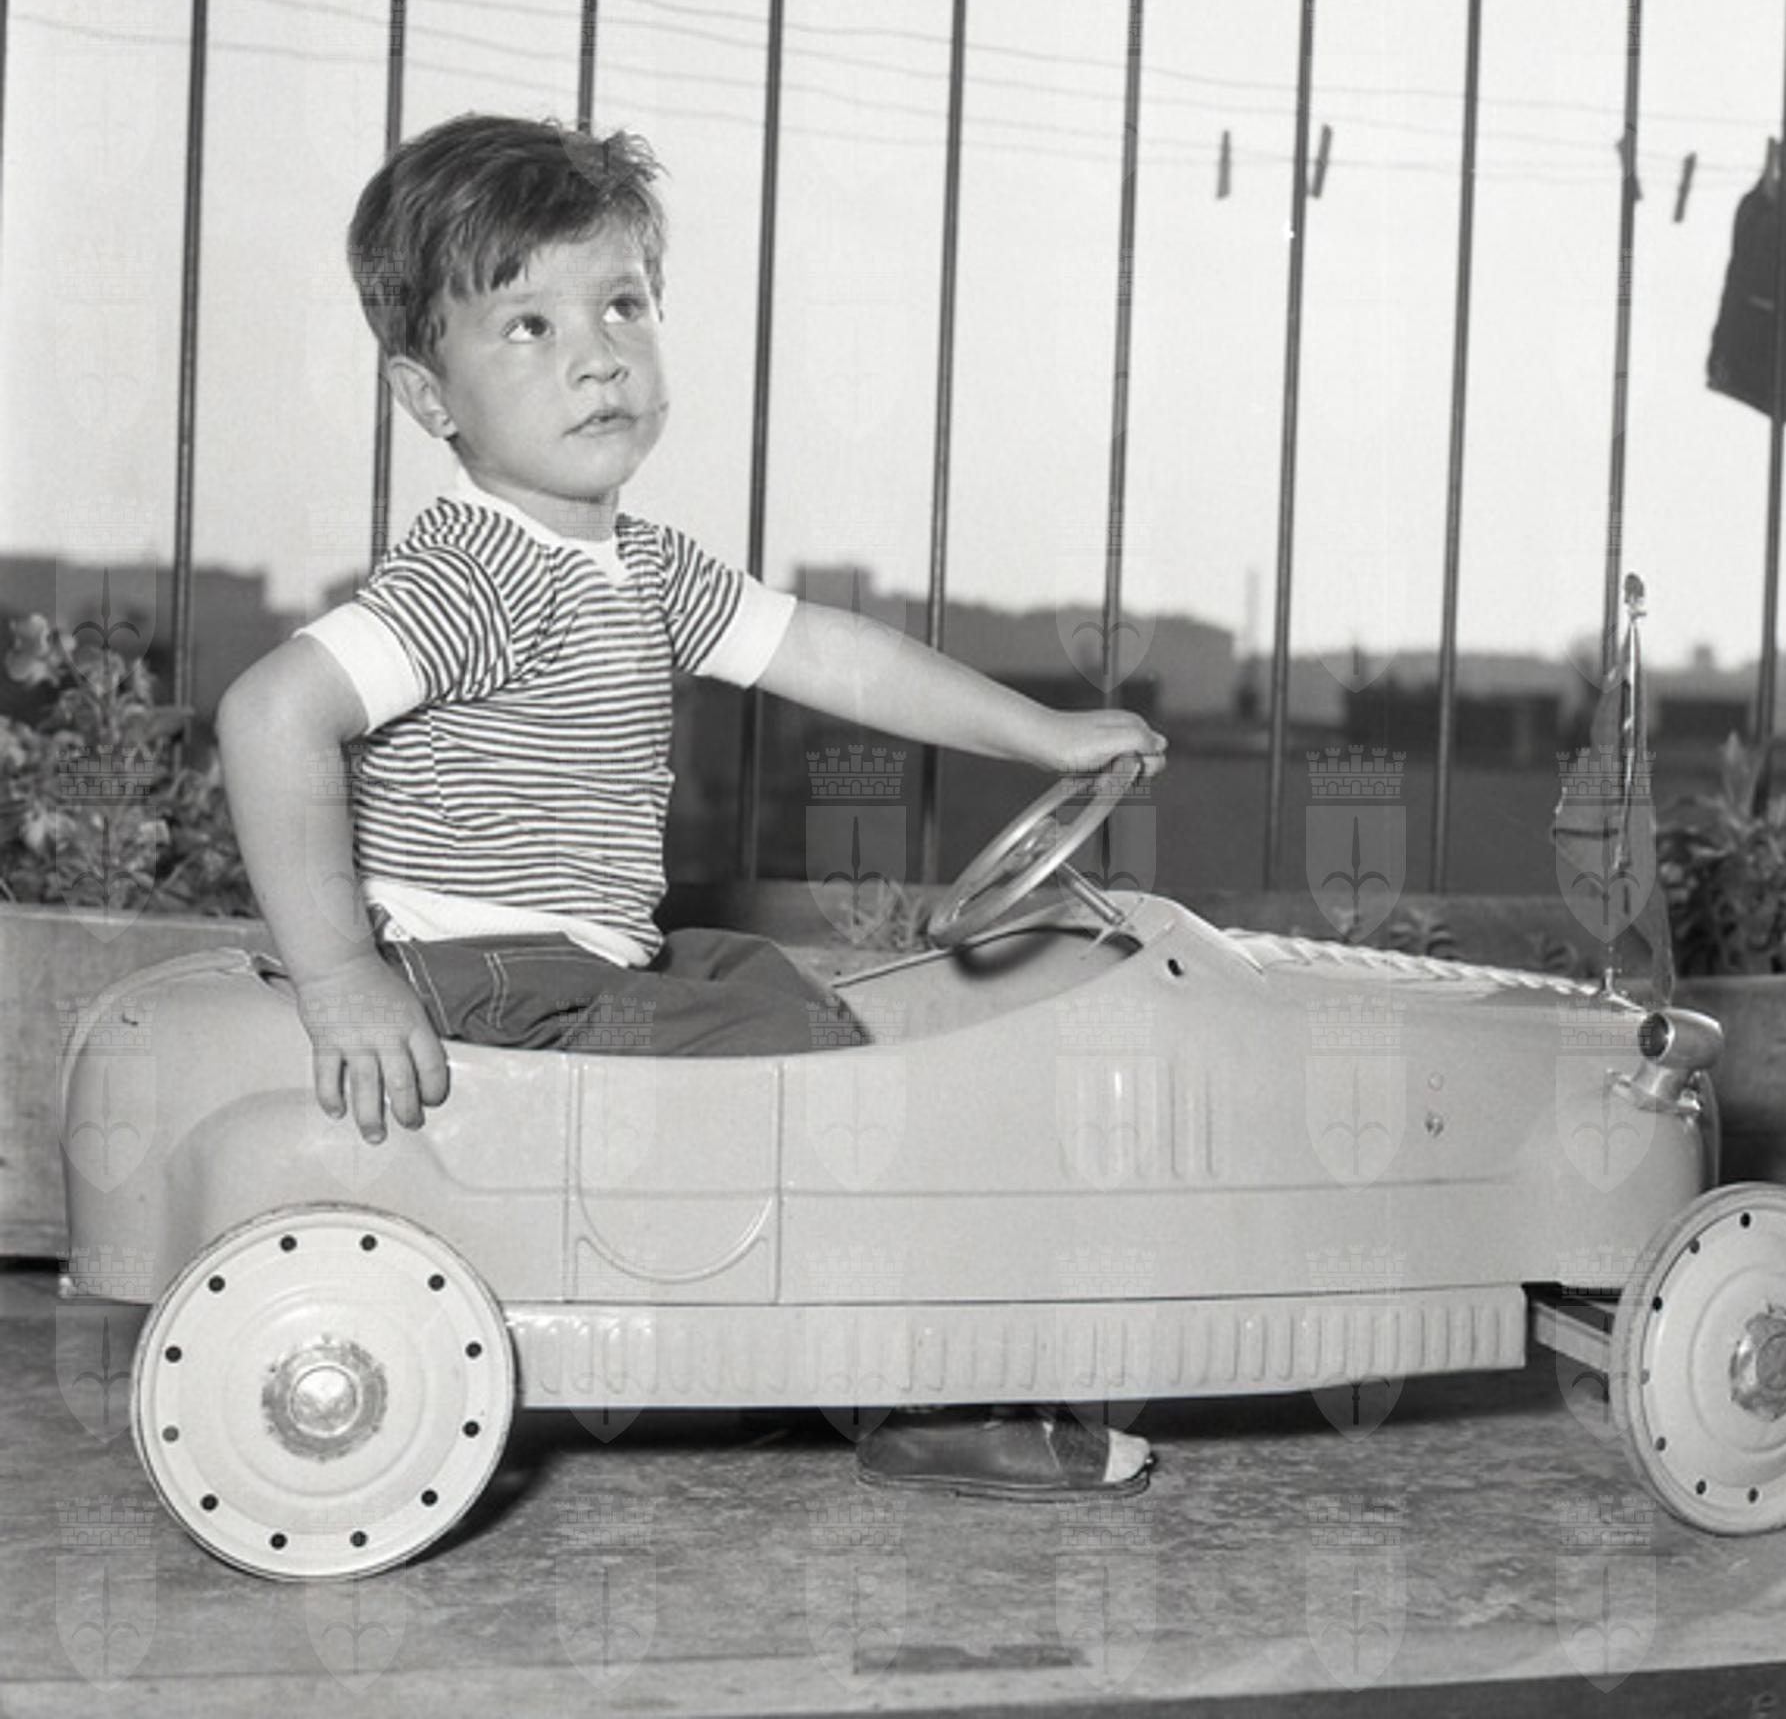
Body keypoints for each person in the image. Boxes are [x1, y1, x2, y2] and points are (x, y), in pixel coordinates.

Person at [216, 111, 1166, 1498]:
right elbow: (271, 713)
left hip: (577, 959)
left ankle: (767, 1337)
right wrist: (341, 977)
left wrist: (1040, 732)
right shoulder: (478, 574)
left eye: (623, 305)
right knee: (817, 1072)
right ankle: (926, 1402)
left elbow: (835, 656)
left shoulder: (640, 564)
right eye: (528, 326)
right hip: (490, 976)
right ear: (430, 398)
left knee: (766, 982)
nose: (598, 353)